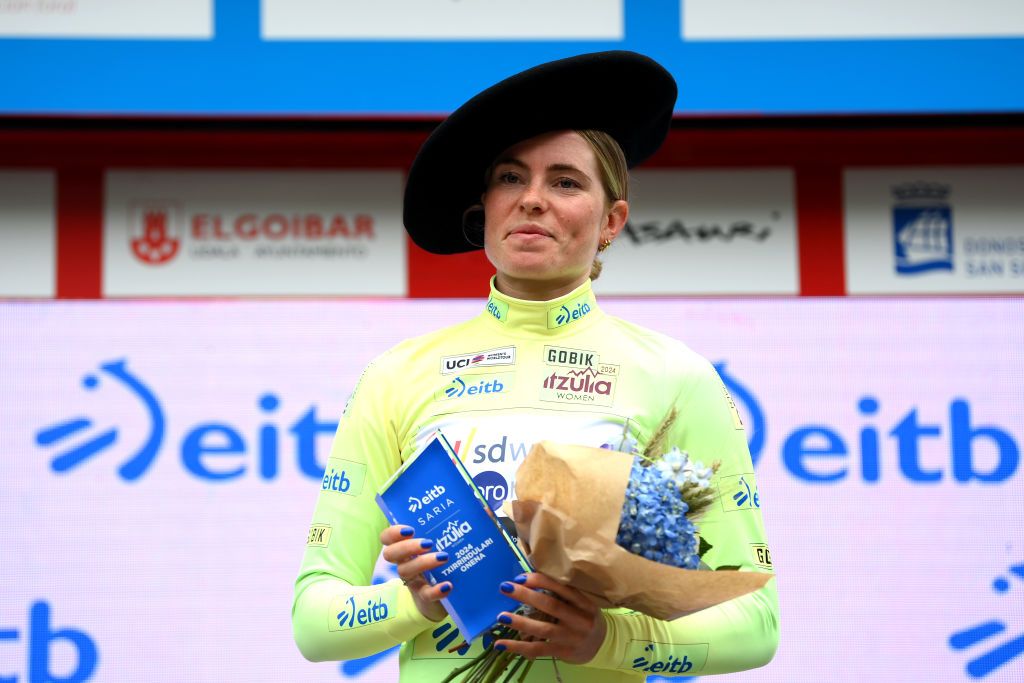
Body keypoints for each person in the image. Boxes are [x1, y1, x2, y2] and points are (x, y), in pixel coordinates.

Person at [293, 51, 778, 681]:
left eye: (566, 182)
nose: (532, 200)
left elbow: (756, 622)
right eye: (509, 178)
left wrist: (607, 638)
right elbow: (314, 621)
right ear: (485, 206)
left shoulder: (677, 377)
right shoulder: (395, 376)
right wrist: (413, 600)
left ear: (612, 221)